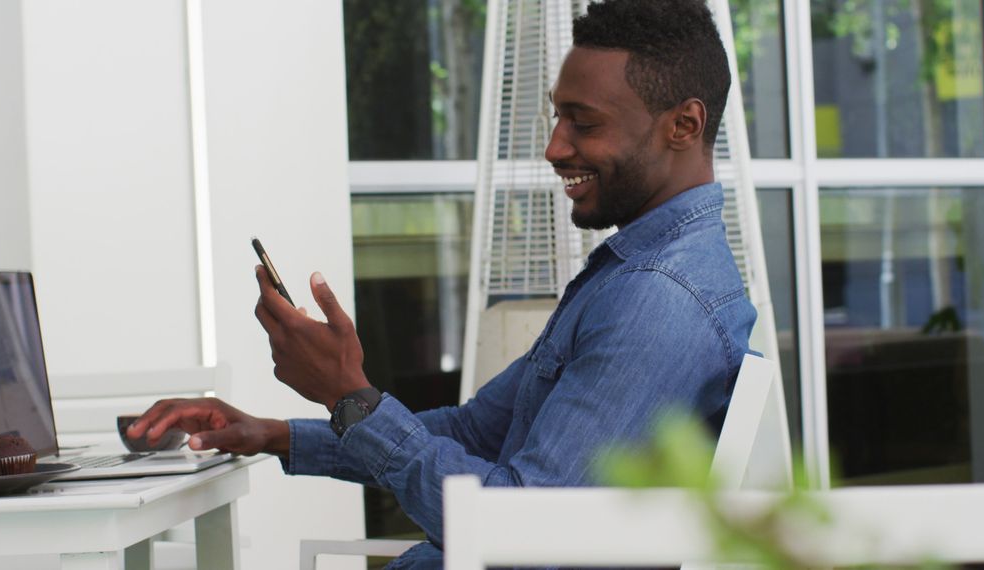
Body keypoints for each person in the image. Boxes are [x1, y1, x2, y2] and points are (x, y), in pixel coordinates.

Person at [127, 0, 757, 566]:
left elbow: (525, 536)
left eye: (583, 123)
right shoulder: (631, 277)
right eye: (557, 118)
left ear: (684, 125)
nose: (554, 147)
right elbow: (473, 431)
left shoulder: (658, 299)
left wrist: (353, 399)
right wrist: (277, 432)